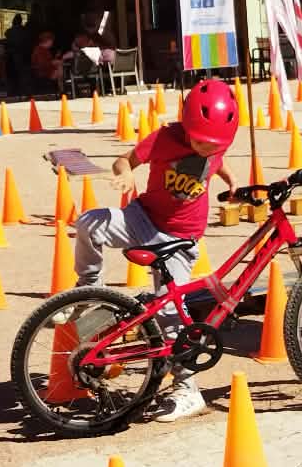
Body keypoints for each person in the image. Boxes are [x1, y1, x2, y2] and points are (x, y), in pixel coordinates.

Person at [70, 77, 239, 422]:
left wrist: (230, 178)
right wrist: (126, 174)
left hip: (180, 242)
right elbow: (124, 160)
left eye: (215, 145)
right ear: (187, 125)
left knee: (171, 316)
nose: (207, 149)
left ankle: (188, 390)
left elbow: (217, 159)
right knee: (88, 223)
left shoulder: (215, 144)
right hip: (143, 219)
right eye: (201, 141)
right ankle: (89, 288)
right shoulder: (163, 138)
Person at [3, 15, 30, 97]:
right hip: (22, 55)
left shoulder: (9, 31)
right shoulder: (25, 31)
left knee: (12, 75)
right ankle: (23, 91)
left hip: (12, 56)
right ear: (21, 21)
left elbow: (7, 39)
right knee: (22, 74)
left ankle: (13, 91)